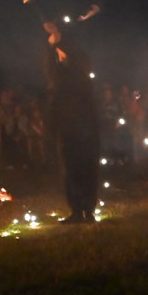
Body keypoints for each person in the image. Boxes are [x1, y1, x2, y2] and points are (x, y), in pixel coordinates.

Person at [43, 20, 100, 223]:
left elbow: (73, 67)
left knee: (88, 169)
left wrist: (58, 45)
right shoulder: (60, 76)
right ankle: (77, 210)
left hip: (85, 130)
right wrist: (51, 46)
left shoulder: (81, 76)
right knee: (70, 170)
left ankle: (88, 210)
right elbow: (51, 71)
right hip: (68, 130)